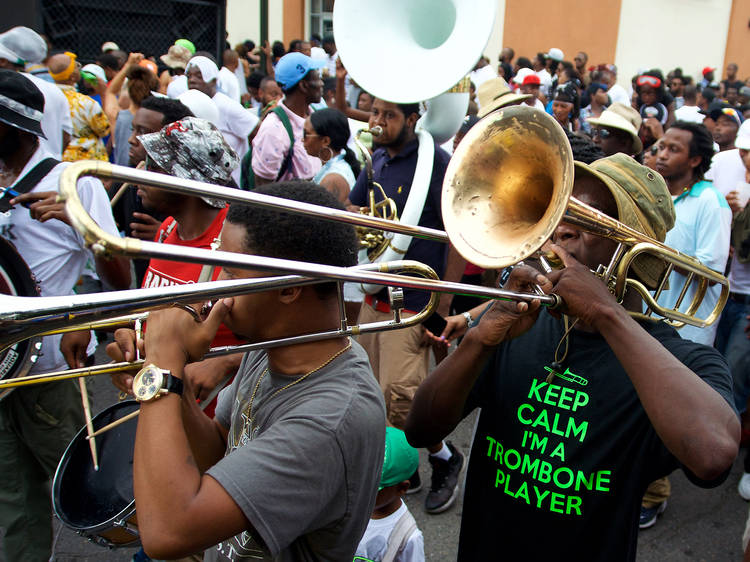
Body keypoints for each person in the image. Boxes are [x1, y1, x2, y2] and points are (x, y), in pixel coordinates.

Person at [405, 153, 739, 561]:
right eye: (561, 213)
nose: (561, 229)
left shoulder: (678, 360)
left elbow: (713, 456)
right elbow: (420, 429)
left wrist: (607, 315)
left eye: (588, 219)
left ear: (637, 248)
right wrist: (479, 340)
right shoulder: (517, 326)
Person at [107, 181, 386, 560]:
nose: (217, 287)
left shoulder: (331, 418)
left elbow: (166, 533)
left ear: (288, 287)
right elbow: (219, 451)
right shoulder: (270, 343)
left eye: (231, 273)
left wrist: (162, 365)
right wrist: (172, 383)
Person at [0, 70, 130, 561]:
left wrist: (82, 224)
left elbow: (119, 278)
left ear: (16, 124)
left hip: (48, 369)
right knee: (12, 500)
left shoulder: (72, 182)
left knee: (86, 490)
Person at [346, 98, 466, 515]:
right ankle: (403, 468)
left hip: (415, 300)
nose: (377, 122)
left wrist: (444, 301)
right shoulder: (375, 156)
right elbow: (354, 207)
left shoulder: (438, 163)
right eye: (375, 113)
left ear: (413, 119)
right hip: (374, 295)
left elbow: (456, 234)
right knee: (369, 394)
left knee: (402, 398)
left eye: (388, 115)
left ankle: (444, 458)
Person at [251, 52, 324, 185]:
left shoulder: (315, 117)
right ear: (303, 85)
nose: (322, 83)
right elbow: (263, 191)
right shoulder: (274, 129)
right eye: (318, 78)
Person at [0, 25, 73, 158]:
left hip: (11, 173)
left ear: (3, 61)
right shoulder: (54, 90)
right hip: (50, 171)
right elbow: (66, 136)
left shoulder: (5, 88)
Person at [354, 427, 425, 562]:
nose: (363, 492)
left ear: (402, 488)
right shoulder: (354, 508)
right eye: (362, 483)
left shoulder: (407, 537)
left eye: (375, 489)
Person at [185, 55, 259, 184]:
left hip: (231, 185)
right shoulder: (190, 103)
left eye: (199, 76)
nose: (192, 80)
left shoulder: (226, 105)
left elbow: (259, 131)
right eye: (189, 76)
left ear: (213, 80)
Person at [48, 51, 110, 161]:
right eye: (76, 66)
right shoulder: (85, 103)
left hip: (55, 160)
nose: (79, 67)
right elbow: (104, 130)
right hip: (87, 164)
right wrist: (104, 94)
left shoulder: (46, 98)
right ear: (72, 77)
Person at [305, 107, 361, 202]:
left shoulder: (333, 179)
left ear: (325, 141)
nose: (302, 139)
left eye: (306, 134)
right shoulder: (334, 167)